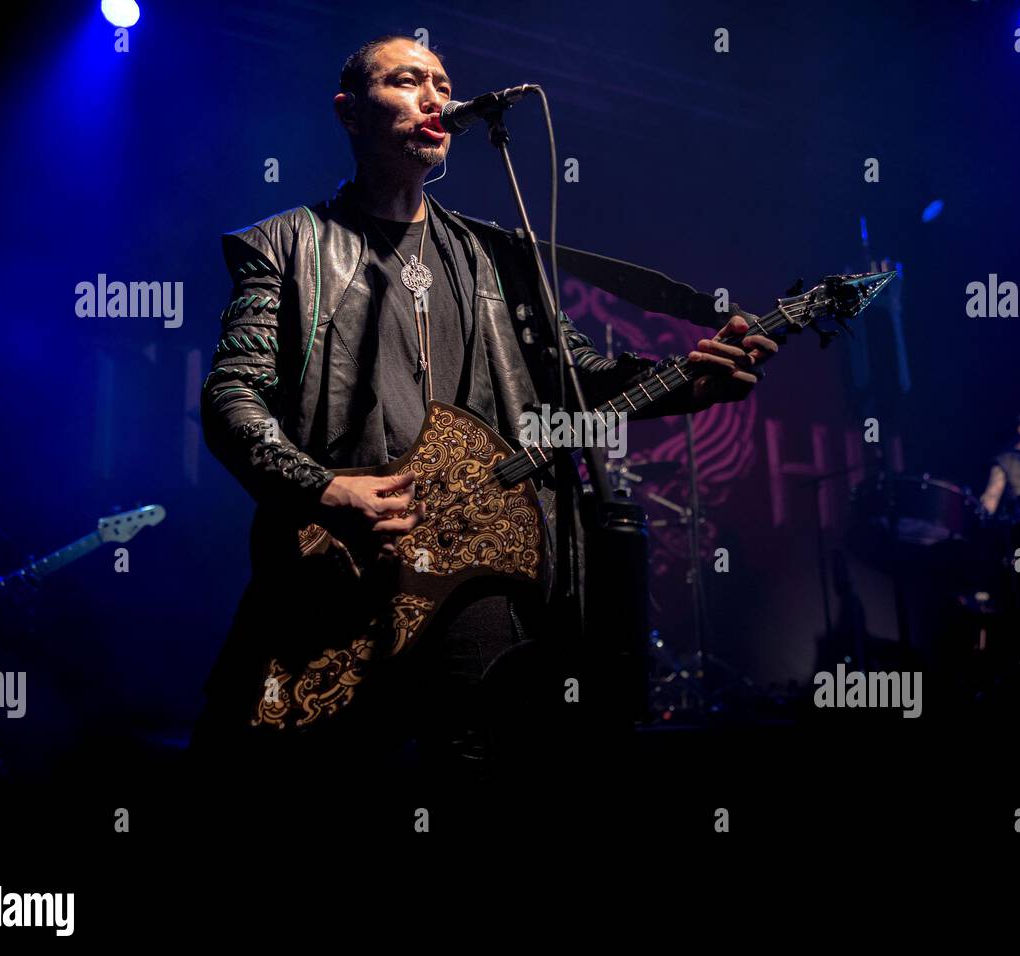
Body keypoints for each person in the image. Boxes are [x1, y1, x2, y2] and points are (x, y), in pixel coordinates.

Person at [190, 35, 778, 787]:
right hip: (337, 563)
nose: (436, 97)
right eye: (408, 82)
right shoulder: (286, 244)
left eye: (442, 82)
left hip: (477, 570)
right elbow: (232, 395)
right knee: (271, 771)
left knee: (477, 770)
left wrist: (686, 384)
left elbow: (576, 383)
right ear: (350, 112)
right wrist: (322, 490)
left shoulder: (499, 256)